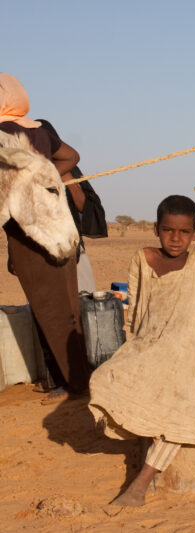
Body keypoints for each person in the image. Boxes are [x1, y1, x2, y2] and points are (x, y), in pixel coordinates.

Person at [88, 195, 195, 507]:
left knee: (185, 402)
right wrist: (133, 348)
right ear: (156, 229)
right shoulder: (144, 258)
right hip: (152, 342)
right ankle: (141, 440)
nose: (176, 238)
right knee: (105, 379)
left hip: (192, 346)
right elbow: (136, 310)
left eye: (184, 232)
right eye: (168, 230)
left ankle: (140, 484)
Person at [0, 73, 90, 400]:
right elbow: (71, 157)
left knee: (50, 308)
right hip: (58, 227)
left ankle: (74, 384)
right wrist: (49, 171)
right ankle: (71, 377)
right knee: (67, 307)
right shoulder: (37, 130)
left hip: (30, 235)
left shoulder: (1, 135)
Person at [37, 119, 108, 293]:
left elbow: (88, 210)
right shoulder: (31, 173)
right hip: (39, 252)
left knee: (83, 303)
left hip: (73, 249)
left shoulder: (70, 169)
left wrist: (67, 178)